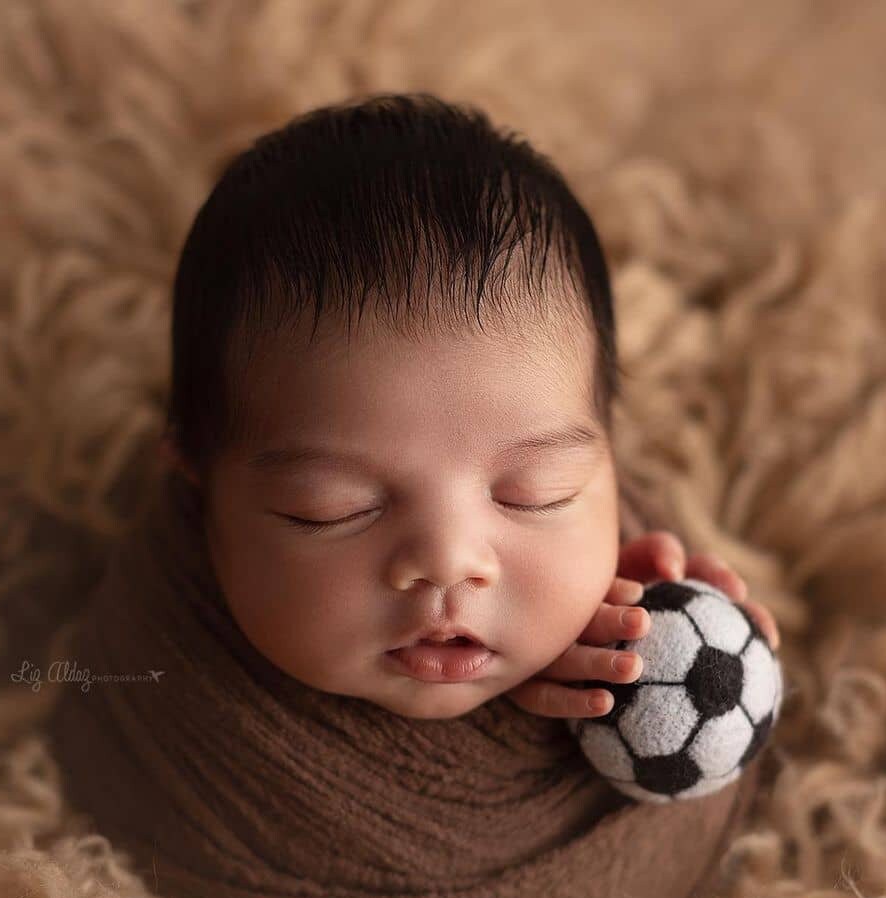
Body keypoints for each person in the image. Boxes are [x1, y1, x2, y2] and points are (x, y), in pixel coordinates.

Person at [159, 90, 778, 724]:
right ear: (198, 477)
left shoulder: (630, 612)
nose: (449, 561)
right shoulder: (161, 677)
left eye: (537, 495)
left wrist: (664, 660)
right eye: (334, 508)